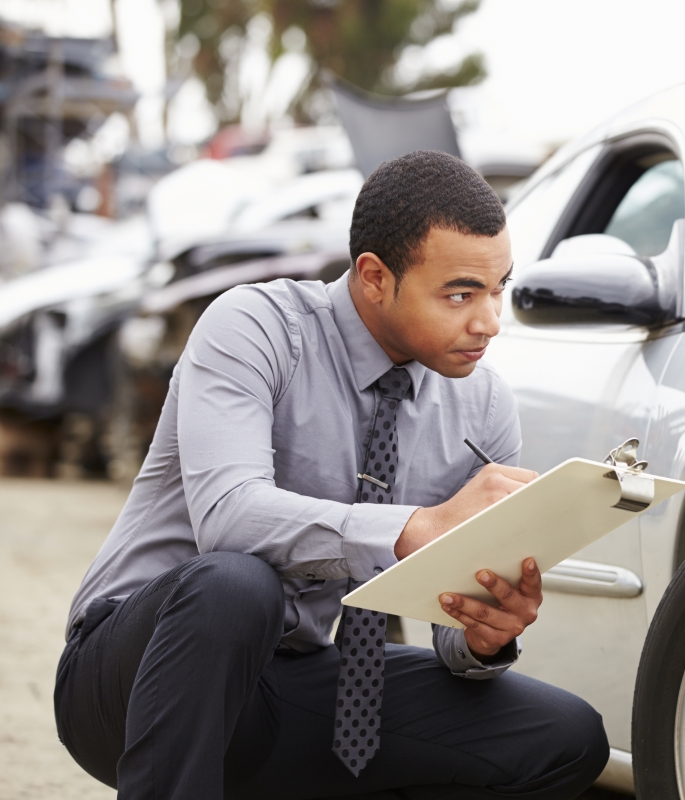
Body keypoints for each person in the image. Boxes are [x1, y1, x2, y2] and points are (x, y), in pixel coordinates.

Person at [54, 151, 610, 800]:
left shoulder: (481, 404)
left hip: (289, 685)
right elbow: (227, 517)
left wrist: (484, 634)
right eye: (460, 293)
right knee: (236, 587)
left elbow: (448, 629)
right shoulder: (255, 327)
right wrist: (414, 528)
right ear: (375, 277)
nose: (487, 321)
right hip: (128, 679)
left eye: (497, 290)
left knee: (565, 736)